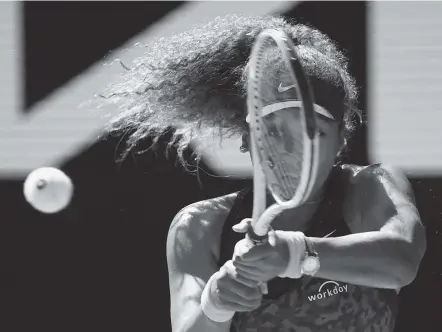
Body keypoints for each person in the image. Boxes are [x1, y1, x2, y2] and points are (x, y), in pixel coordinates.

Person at [99, 15, 427, 332]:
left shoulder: (370, 186)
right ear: (248, 139)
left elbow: (400, 260)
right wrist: (216, 302)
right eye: (273, 132)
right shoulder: (201, 226)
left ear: (342, 139)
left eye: (312, 133)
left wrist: (293, 253)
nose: (290, 149)